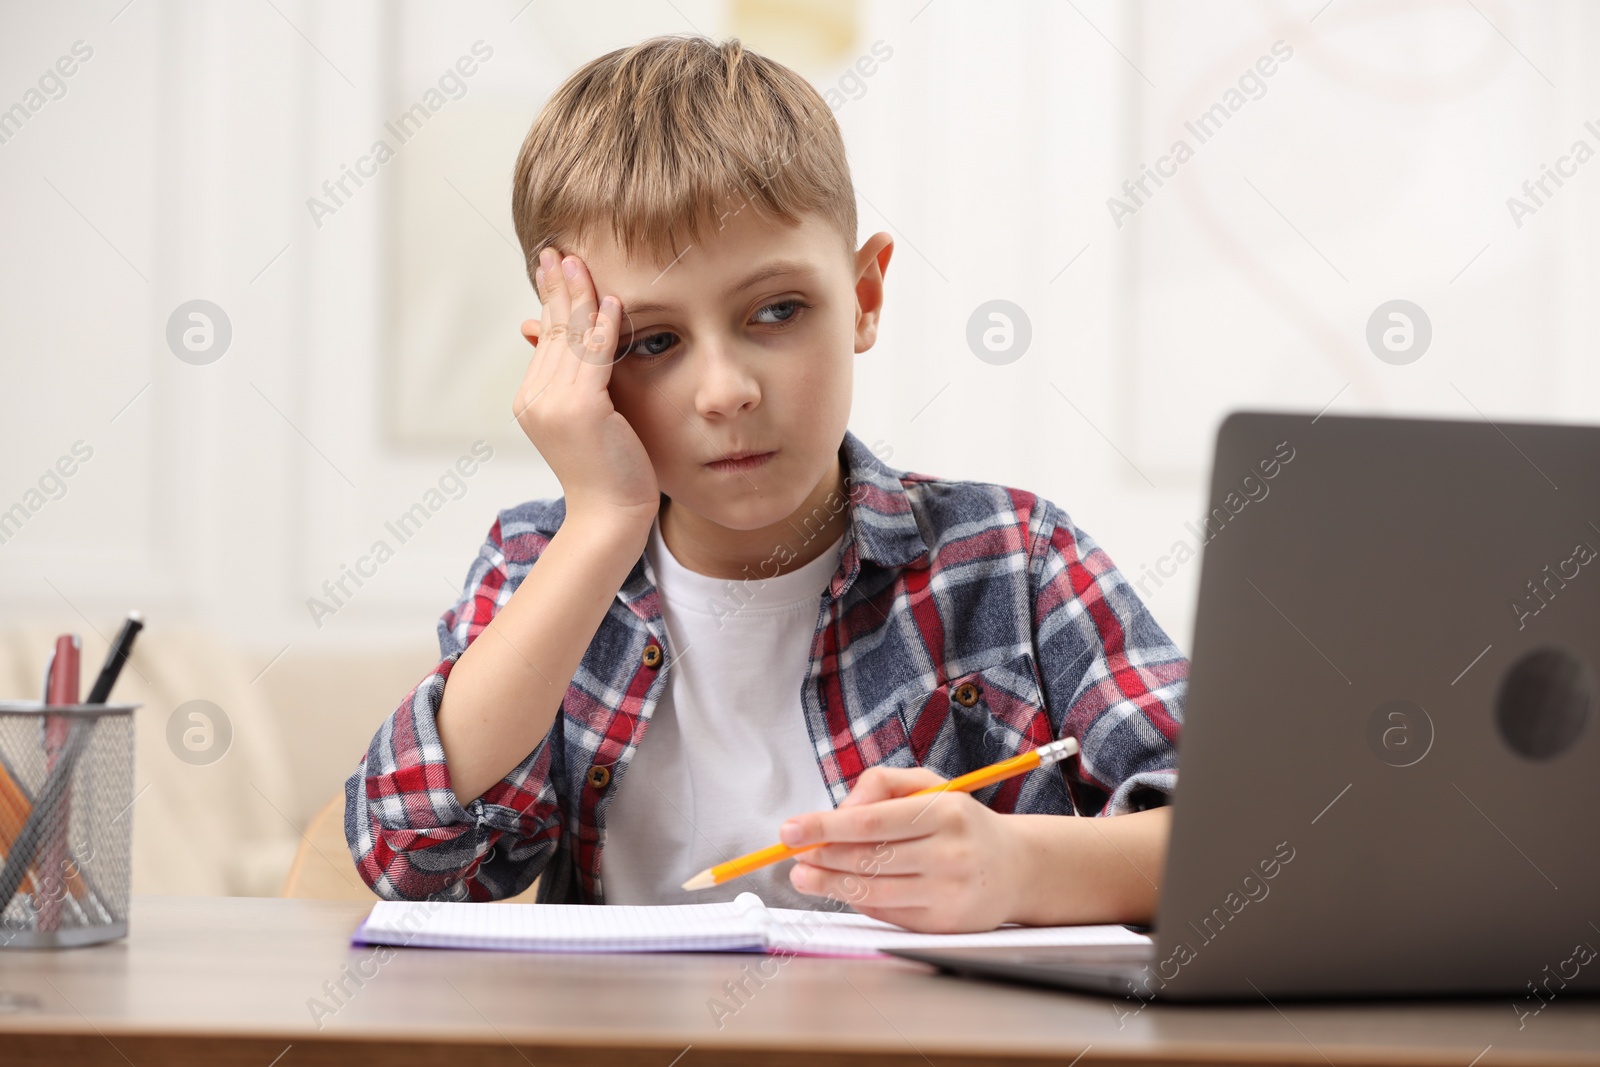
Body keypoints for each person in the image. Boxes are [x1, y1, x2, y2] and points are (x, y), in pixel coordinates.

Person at [346, 33, 1187, 934]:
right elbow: (410, 856)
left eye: (776, 311)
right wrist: (601, 522)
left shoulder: (1013, 560)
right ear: (571, 360)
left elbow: (1250, 835)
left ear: (864, 297)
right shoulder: (535, 563)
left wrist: (1021, 869)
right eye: (650, 342)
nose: (726, 390)